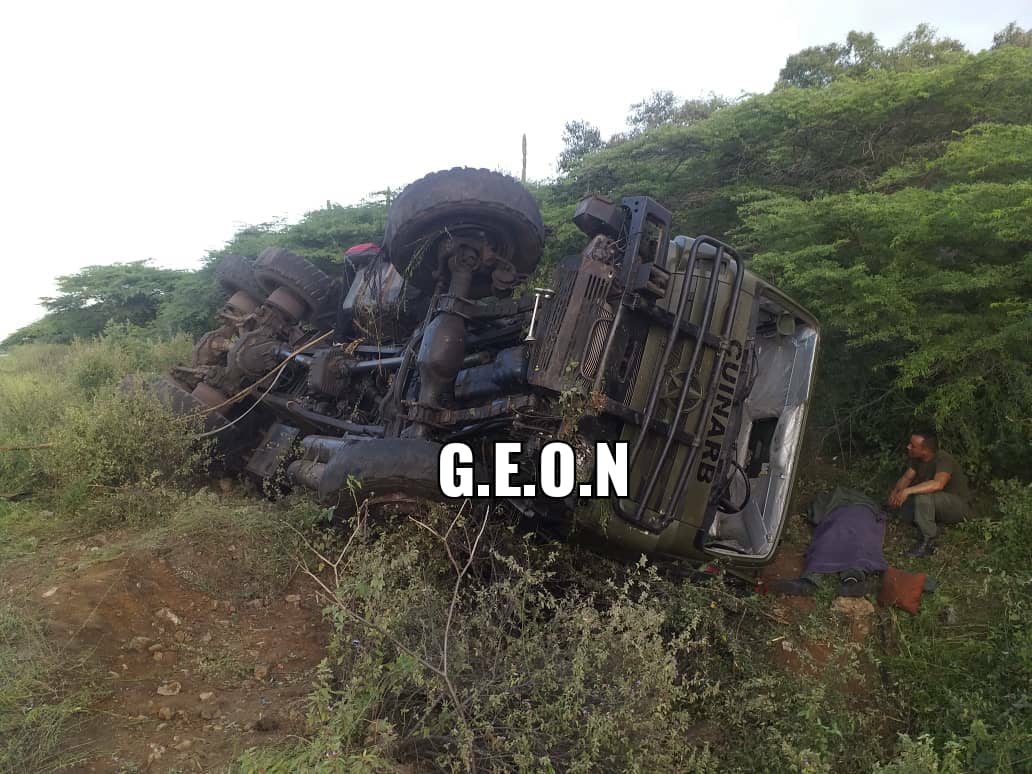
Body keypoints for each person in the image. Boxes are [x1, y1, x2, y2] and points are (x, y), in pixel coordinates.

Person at [888, 429, 970, 557]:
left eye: (913, 446)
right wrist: (896, 493)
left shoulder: (943, 459)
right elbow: (907, 478)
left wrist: (907, 491)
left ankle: (928, 541)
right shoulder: (916, 458)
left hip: (958, 505)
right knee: (902, 506)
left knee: (922, 497)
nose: (908, 447)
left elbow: (938, 484)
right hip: (935, 502)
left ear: (925, 450)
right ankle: (936, 526)